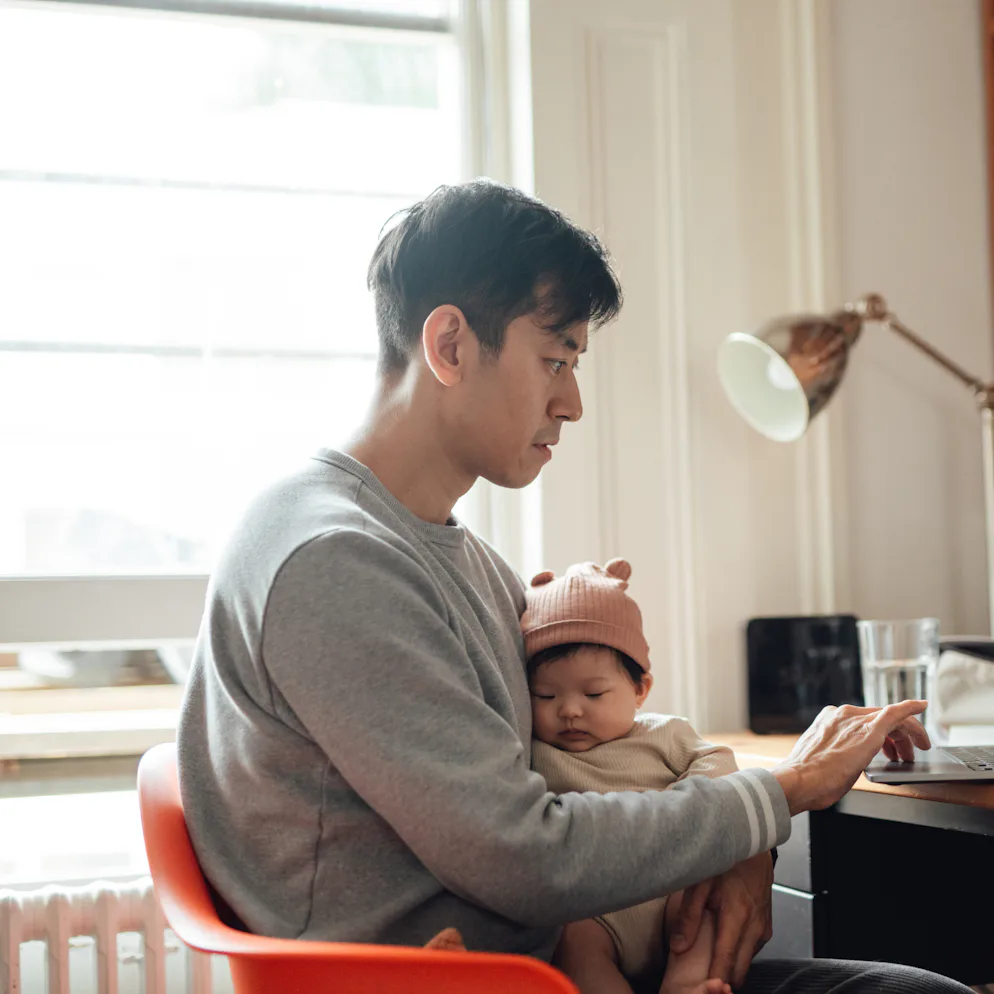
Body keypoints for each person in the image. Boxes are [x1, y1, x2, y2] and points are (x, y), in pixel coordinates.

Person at [177, 179, 969, 993]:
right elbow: (526, 856)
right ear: (449, 346)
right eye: (556, 359)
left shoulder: (455, 560)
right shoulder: (332, 561)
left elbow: (602, 749)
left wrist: (749, 836)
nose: (573, 402)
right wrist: (783, 791)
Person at [522, 557, 737, 994]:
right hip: (595, 907)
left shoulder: (665, 734)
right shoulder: (534, 751)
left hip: (673, 890)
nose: (569, 709)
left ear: (641, 690)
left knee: (707, 901)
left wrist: (684, 802)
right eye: (545, 694)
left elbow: (719, 759)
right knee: (572, 942)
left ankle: (687, 983)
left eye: (594, 693)